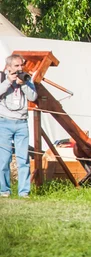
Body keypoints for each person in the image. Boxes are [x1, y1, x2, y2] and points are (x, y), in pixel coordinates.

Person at [0, 54, 37, 198]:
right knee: (4, 158)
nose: (20, 69)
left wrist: (24, 85)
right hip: (4, 122)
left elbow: (33, 97)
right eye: (16, 66)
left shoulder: (26, 78)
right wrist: (9, 81)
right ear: (8, 67)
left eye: (21, 65)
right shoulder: (3, 78)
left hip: (22, 123)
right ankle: (4, 191)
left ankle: (24, 192)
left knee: (23, 159)